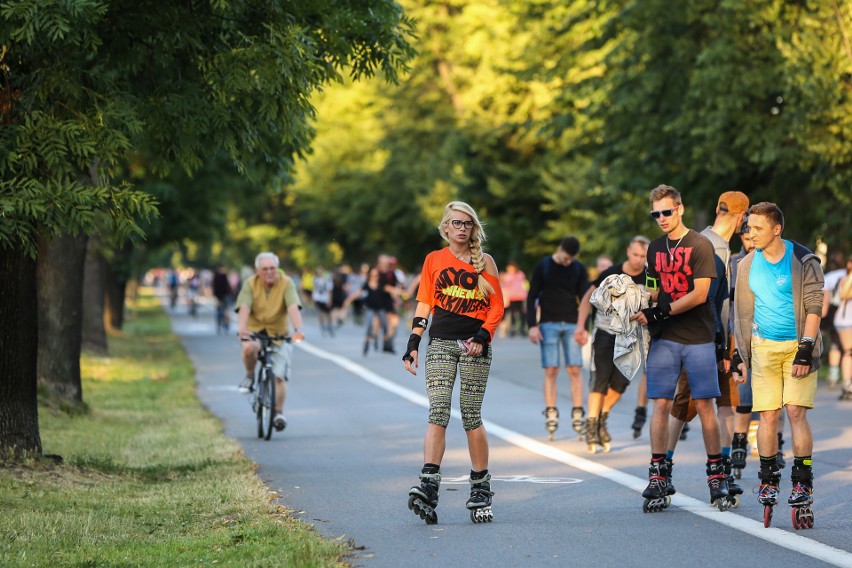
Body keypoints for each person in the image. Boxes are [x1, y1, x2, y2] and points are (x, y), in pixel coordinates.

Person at [403, 201, 504, 525]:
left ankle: (480, 486)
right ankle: (429, 483)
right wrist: (413, 344)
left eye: (468, 224)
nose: (462, 228)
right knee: (438, 410)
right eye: (456, 223)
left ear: (473, 229)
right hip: (442, 344)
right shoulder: (433, 260)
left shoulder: (485, 262)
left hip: (475, 345)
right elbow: (424, 302)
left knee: (471, 415)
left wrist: (481, 338)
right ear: (445, 228)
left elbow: (497, 307)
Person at [631, 184, 729, 511]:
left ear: (680, 209)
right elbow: (652, 288)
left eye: (666, 212)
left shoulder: (700, 245)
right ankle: (658, 472)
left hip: (698, 336)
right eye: (655, 213)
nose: (661, 218)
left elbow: (701, 294)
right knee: (660, 404)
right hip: (665, 338)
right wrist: (634, 302)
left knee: (704, 407)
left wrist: (660, 310)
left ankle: (717, 474)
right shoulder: (655, 248)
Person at [730, 201, 824, 521]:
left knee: (796, 412)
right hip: (763, 348)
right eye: (749, 227)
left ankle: (802, 482)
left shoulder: (803, 260)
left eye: (757, 228)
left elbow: (814, 307)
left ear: (776, 229)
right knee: (768, 416)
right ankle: (768, 480)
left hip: (797, 346)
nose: (750, 233)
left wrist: (805, 350)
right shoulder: (745, 265)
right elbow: (739, 313)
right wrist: (737, 355)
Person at [664, 190, 749, 500]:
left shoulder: (721, 246)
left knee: (727, 400)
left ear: (717, 208)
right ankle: (664, 467)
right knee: (685, 403)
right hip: (698, 337)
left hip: (722, 337)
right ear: (743, 217)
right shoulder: (706, 246)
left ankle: (722, 467)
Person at [575, 236, 650, 453]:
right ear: (628, 251)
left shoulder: (649, 275)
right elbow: (588, 298)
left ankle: (601, 416)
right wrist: (581, 326)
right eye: (635, 255)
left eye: (643, 256)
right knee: (601, 379)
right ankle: (591, 428)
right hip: (605, 332)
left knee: (620, 383)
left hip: (631, 337)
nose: (638, 260)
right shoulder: (612, 274)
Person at [526, 236, 590, 440]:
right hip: (548, 322)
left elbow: (586, 299)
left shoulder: (578, 268)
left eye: (571, 258)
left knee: (574, 368)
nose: (567, 261)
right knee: (551, 369)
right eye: (565, 257)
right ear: (559, 249)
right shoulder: (544, 266)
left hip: (572, 322)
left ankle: (578, 411)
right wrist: (532, 326)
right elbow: (532, 295)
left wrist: (584, 327)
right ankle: (551, 411)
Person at [236, 252, 305, 431]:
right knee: (249, 347)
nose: (269, 272)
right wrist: (242, 329)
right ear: (257, 271)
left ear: (278, 268)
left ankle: (279, 413)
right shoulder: (250, 284)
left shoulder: (286, 283)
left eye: (272, 268)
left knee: (279, 377)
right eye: (265, 269)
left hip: (279, 334)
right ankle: (250, 377)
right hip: (256, 331)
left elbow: (292, 307)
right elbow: (244, 307)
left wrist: (298, 329)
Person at [832, 255, 852, 399]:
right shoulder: (845, 279)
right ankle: (847, 385)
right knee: (848, 352)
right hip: (846, 320)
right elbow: (844, 294)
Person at [500, 261, 528, 337]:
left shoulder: (520, 274)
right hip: (512, 297)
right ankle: (513, 328)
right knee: (512, 313)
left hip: (520, 296)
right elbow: (504, 283)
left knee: (522, 313)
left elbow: (522, 282)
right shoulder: (507, 276)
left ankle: (522, 328)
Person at [212, 263, 234, 334]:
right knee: (226, 311)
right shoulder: (224, 276)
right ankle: (226, 324)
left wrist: (215, 296)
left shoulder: (215, 276)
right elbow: (228, 287)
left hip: (218, 296)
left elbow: (214, 287)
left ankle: (219, 324)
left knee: (219, 310)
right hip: (225, 296)